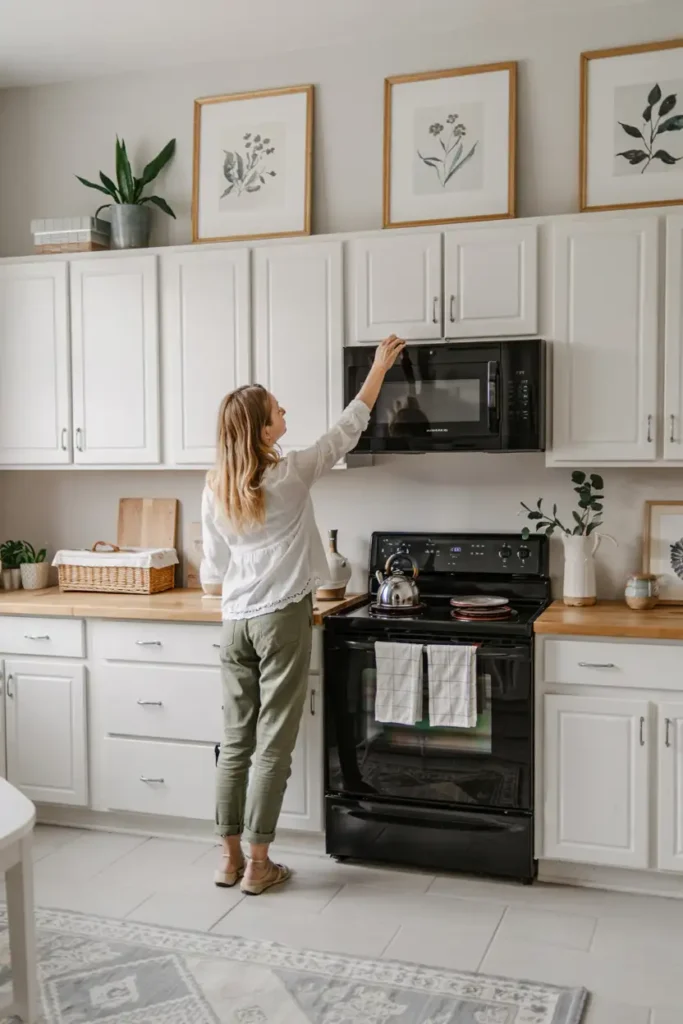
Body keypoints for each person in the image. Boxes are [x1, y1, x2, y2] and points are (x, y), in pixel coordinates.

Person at [201, 334, 406, 895]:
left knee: (235, 741)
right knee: (273, 743)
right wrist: (379, 368)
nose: (285, 411)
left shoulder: (215, 484)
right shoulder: (289, 474)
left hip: (234, 620)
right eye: (277, 409)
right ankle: (261, 864)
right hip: (281, 618)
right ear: (264, 430)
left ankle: (227, 859)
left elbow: (213, 570)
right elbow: (349, 426)